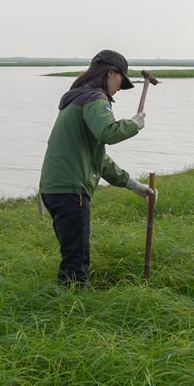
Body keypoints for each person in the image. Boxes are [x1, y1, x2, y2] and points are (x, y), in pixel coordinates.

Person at [39, 49, 156, 286]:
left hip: (55, 189)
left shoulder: (76, 98)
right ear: (111, 73)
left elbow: (98, 159)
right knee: (76, 261)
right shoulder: (95, 99)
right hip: (71, 190)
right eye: (120, 81)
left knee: (72, 254)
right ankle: (70, 312)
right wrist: (133, 125)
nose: (118, 89)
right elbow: (107, 133)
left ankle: (64, 304)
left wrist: (134, 186)